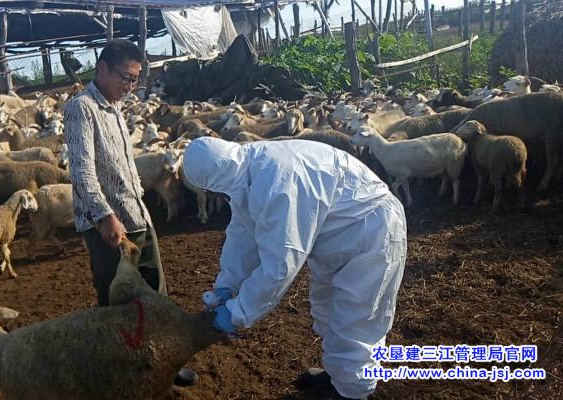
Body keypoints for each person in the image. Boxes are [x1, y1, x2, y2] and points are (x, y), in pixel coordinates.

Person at [183, 137, 407, 400]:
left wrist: (238, 312)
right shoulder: (245, 173)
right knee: (326, 308)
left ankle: (352, 393)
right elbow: (243, 234)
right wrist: (227, 285)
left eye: (211, 190)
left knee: (356, 316)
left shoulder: (277, 182)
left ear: (216, 181)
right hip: (337, 232)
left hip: (371, 230)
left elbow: (280, 263)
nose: (214, 196)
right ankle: (337, 375)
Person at [63, 39, 195, 386]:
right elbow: (81, 171)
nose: (130, 86)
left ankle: (164, 360)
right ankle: (122, 370)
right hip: (109, 226)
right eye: (126, 77)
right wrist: (105, 216)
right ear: (102, 68)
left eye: (136, 79)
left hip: (138, 217)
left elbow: (123, 165)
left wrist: (142, 202)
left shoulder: (116, 107)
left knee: (156, 291)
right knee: (116, 301)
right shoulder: (82, 108)